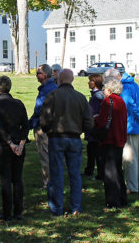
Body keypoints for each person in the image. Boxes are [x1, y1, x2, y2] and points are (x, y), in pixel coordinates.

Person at [40, 69, 93, 215]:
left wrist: (48, 130)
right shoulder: (80, 97)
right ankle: (75, 206)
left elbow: (44, 119)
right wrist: (80, 129)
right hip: (74, 138)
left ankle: (56, 207)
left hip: (56, 137)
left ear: (60, 80)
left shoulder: (52, 96)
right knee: (75, 174)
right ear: (71, 80)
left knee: (56, 173)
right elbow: (89, 122)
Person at [104, 69, 139, 194]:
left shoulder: (124, 88)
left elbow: (131, 107)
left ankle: (132, 186)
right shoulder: (135, 85)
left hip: (131, 127)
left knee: (130, 159)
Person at [0, 76, 29, 220]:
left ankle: (7, 212)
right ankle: (18, 211)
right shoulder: (19, 103)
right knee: (17, 178)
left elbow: (0, 127)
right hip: (18, 143)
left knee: (6, 178)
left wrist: (11, 143)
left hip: (4, 145)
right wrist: (20, 144)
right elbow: (25, 126)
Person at [94, 79, 128, 208]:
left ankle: (112, 201)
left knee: (109, 172)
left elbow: (102, 122)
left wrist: (95, 121)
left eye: (105, 89)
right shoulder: (121, 102)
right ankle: (122, 198)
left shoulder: (108, 102)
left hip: (109, 139)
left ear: (109, 90)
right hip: (119, 139)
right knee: (118, 170)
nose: (103, 91)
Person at [29, 64, 58, 189]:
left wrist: (29, 124)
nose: (36, 75)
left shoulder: (47, 90)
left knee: (45, 155)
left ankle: (48, 182)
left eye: (38, 73)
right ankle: (54, 179)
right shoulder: (54, 87)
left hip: (43, 126)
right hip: (55, 126)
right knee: (52, 154)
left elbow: (39, 110)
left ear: (44, 75)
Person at [84, 74, 105, 180]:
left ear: (96, 82)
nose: (89, 82)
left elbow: (96, 113)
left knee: (96, 151)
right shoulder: (96, 95)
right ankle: (89, 170)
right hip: (93, 127)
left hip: (95, 128)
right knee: (91, 149)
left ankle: (100, 173)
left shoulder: (97, 96)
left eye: (91, 81)